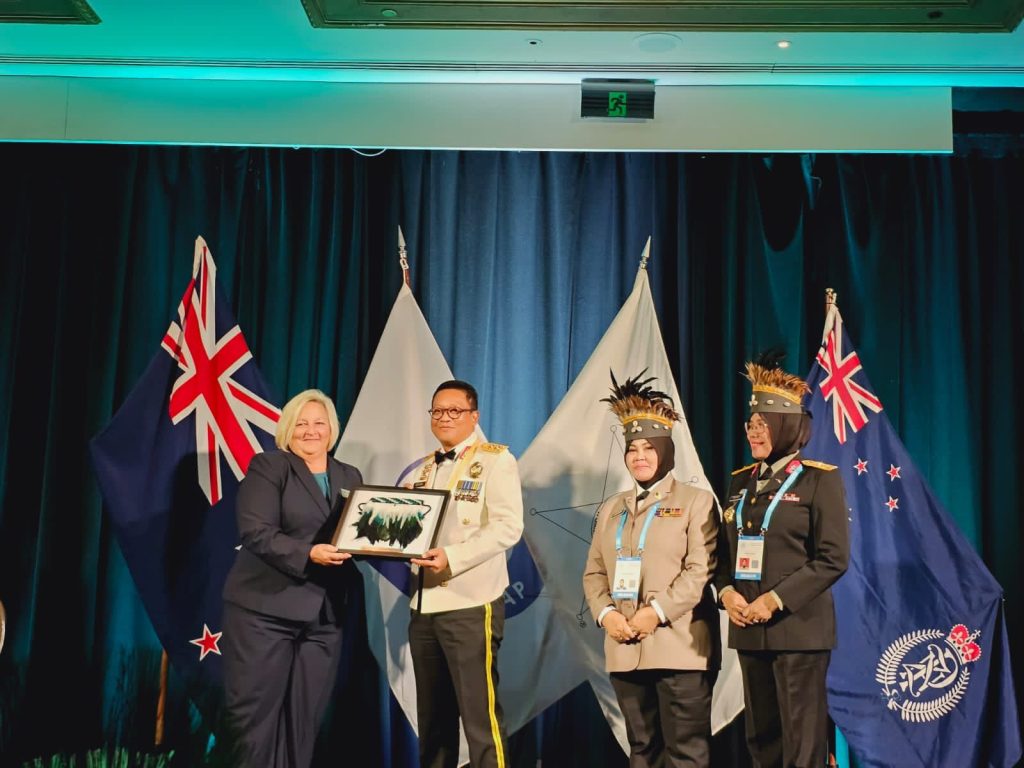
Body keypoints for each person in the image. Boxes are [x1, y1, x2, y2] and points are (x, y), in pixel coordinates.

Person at [715, 355, 850, 768]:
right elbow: (723, 554)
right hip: (749, 631)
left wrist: (774, 600)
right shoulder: (740, 481)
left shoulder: (819, 479)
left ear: (787, 426)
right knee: (762, 740)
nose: (754, 432)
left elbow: (833, 558)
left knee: (802, 745)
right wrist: (726, 592)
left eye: (764, 424)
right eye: (750, 424)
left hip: (798, 631)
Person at [583, 371, 720, 768]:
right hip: (624, 646)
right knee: (642, 750)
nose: (639, 456)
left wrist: (654, 613)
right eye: (632, 449)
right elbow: (594, 572)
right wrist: (607, 615)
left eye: (648, 448)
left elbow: (699, 571)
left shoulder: (696, 501)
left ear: (665, 451)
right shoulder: (612, 507)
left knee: (685, 753)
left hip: (680, 648)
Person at [221, 389, 363, 768]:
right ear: (287, 429)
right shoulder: (269, 467)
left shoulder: (349, 475)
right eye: (301, 424)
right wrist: (309, 553)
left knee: (304, 722)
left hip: (325, 617)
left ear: (332, 429)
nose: (311, 431)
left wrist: (400, 526)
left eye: (319, 423)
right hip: (264, 613)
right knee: (254, 721)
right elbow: (256, 532)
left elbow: (357, 536)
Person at [400, 379, 524, 768]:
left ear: (474, 416)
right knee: (433, 723)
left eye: (455, 410)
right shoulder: (422, 470)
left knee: (480, 720)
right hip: (424, 606)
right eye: (438, 410)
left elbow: (508, 527)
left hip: (471, 603)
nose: (445, 417)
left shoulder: (497, 461)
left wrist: (452, 558)